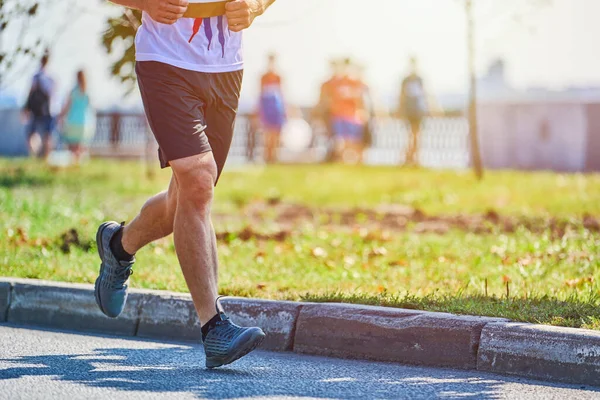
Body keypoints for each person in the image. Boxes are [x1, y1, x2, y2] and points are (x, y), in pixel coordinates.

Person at [95, 0, 276, 369]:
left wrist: (256, 5)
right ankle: (215, 328)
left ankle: (119, 245)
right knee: (198, 182)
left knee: (186, 200)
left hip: (226, 66)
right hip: (165, 61)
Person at [328, 58, 366, 164]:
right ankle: (342, 159)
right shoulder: (335, 83)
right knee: (340, 139)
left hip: (352, 116)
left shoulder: (355, 82)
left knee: (354, 140)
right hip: (338, 115)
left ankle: (356, 159)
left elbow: (360, 98)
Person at [22, 52, 55, 159]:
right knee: (47, 134)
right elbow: (53, 96)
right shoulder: (51, 78)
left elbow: (30, 93)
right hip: (48, 110)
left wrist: (26, 108)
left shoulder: (36, 77)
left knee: (32, 134)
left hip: (36, 110)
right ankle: (46, 156)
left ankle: (34, 155)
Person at [58, 70, 93, 165]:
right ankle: (79, 163)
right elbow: (90, 108)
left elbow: (67, 107)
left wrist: (60, 116)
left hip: (73, 122)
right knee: (80, 147)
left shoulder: (73, 91)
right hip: (84, 123)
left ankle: (75, 164)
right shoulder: (87, 91)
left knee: (72, 146)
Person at [398, 56, 428, 167]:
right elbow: (401, 96)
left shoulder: (419, 79)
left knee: (416, 135)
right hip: (409, 110)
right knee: (412, 135)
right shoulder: (406, 80)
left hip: (418, 110)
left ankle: (413, 157)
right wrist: (400, 110)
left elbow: (426, 95)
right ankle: (410, 157)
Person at [258, 53, 286, 164]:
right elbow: (260, 93)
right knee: (267, 133)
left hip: (277, 108)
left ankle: (274, 155)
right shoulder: (264, 77)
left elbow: (282, 93)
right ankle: (267, 156)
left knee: (277, 133)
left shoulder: (279, 77)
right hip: (267, 107)